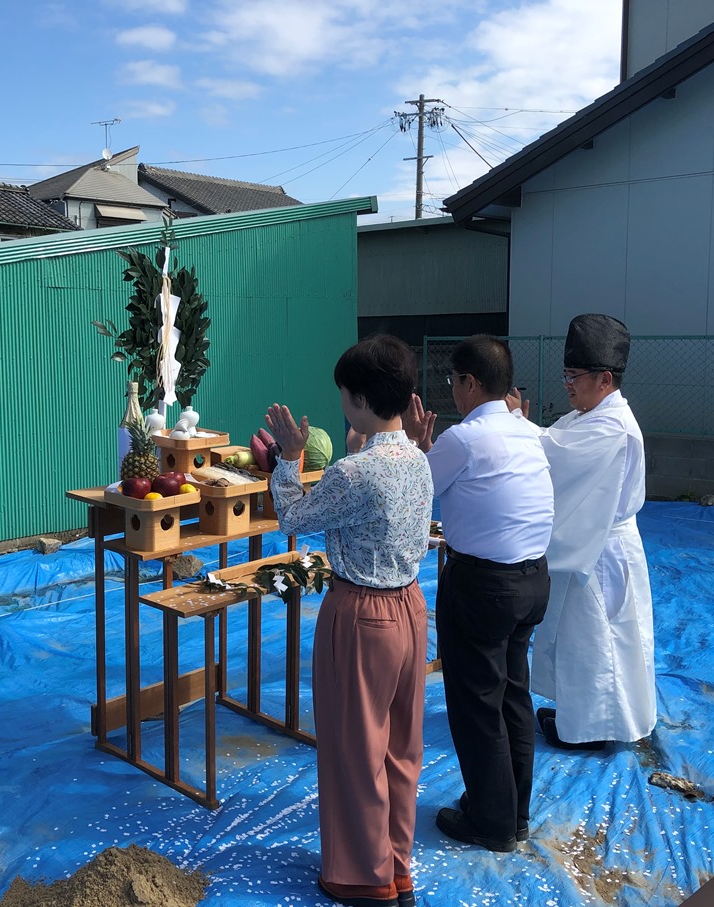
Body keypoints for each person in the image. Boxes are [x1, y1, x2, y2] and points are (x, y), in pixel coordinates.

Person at [265, 333, 434, 907]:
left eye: (344, 395)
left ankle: (364, 877)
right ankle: (396, 864)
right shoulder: (417, 455)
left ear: (359, 399)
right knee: (400, 747)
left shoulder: (353, 473)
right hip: (411, 607)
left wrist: (289, 459)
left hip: (362, 612)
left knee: (354, 746)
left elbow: (292, 516)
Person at [403, 335, 554, 853]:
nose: (453, 392)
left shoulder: (464, 439)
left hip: (484, 585)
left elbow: (415, 489)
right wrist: (429, 449)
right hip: (533, 581)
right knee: (513, 695)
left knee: (476, 705)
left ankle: (491, 823)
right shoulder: (525, 431)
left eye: (453, 382)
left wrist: (411, 443)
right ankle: (513, 811)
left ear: (468, 383)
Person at [513, 313, 656, 751]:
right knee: (580, 639)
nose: (567, 384)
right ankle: (580, 715)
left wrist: (510, 424)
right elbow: (552, 442)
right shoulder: (586, 416)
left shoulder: (611, 426)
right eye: (566, 375)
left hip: (603, 549)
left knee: (600, 643)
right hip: (593, 545)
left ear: (605, 378)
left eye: (575, 376)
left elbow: (553, 455)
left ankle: (593, 729)